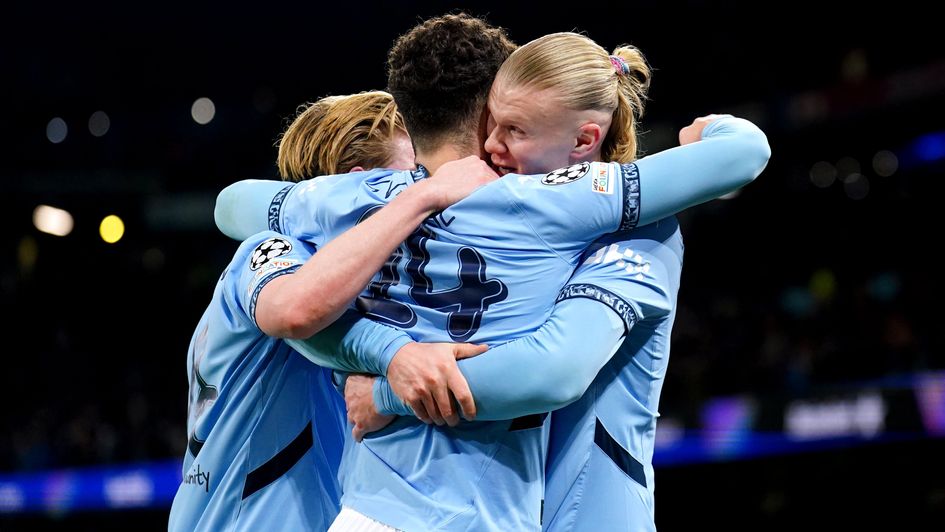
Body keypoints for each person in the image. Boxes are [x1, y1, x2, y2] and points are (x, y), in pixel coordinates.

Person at [214, 18, 769, 532]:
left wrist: (386, 386)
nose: (498, 146)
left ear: (582, 138)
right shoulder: (563, 206)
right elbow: (741, 153)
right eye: (495, 125)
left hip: (380, 513)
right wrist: (711, 128)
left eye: (517, 129)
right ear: (482, 111)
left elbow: (234, 206)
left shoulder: (359, 202)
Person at [167, 90, 496, 531]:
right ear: (354, 185)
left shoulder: (372, 289)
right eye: (409, 175)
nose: (431, 190)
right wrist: (424, 194)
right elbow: (296, 313)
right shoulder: (271, 251)